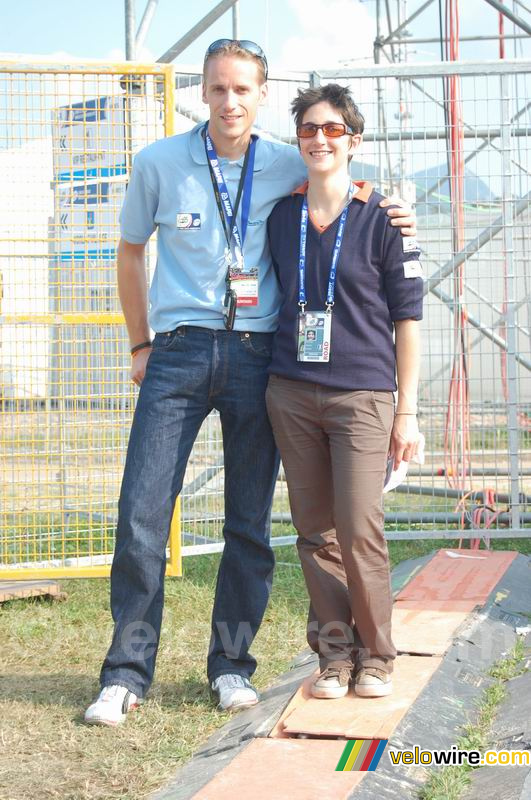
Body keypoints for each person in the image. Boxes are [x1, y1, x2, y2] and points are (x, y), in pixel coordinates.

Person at [84, 42, 417, 726]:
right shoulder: (158, 163)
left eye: (241, 89)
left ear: (261, 94)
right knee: (142, 516)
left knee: (247, 524)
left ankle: (231, 666)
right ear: (200, 93)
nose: (229, 102)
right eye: (216, 89)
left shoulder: (285, 159)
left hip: (257, 356)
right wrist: (140, 341)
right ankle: (123, 674)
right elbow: (129, 249)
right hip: (176, 355)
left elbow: (342, 174)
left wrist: (393, 208)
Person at [265, 84, 423, 700]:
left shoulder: (386, 219)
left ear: (354, 140)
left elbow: (408, 320)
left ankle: (377, 655)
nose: (321, 139)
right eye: (309, 129)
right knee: (315, 531)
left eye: (333, 129)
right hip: (292, 390)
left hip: (362, 395)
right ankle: (333, 657)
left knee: (358, 528)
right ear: (299, 139)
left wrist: (404, 411)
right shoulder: (282, 216)